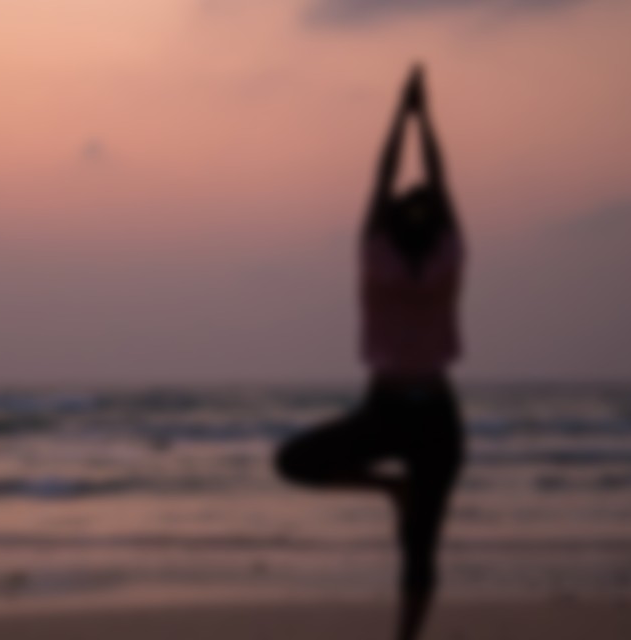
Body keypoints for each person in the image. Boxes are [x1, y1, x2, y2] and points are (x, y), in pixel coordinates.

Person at [275, 64, 465, 640]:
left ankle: (390, 496)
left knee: (418, 543)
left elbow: (381, 185)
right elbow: (439, 184)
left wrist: (401, 115)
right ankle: (391, 488)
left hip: (402, 413)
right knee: (417, 543)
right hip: (424, 413)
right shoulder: (449, 259)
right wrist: (423, 118)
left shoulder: (375, 256)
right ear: (435, 225)